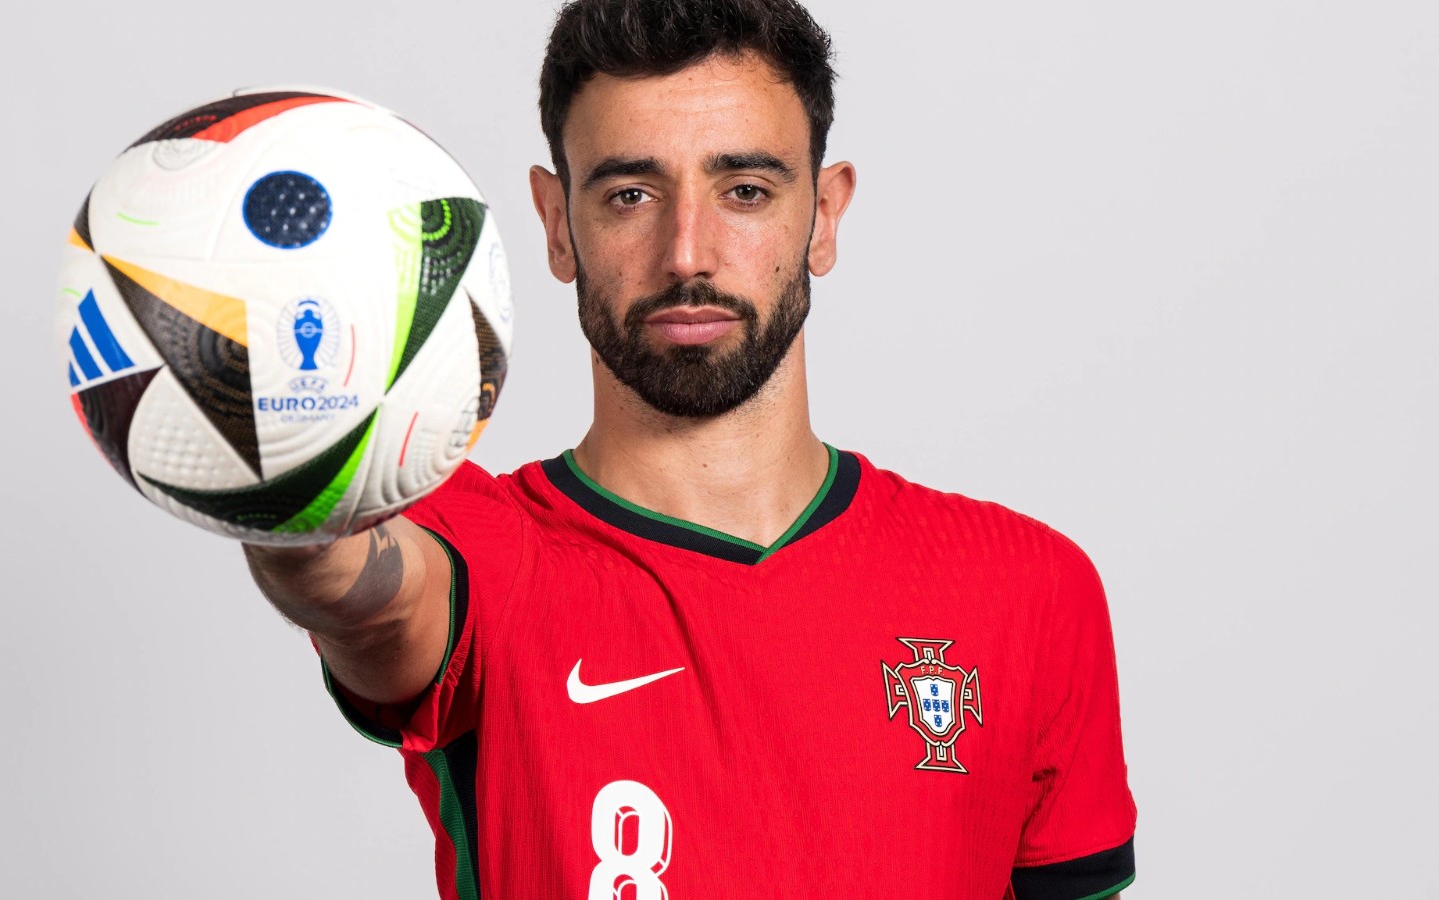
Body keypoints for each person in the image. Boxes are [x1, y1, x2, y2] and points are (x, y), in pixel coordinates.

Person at [244, 0, 1137, 897]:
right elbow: (353, 588)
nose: (686, 254)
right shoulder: (478, 554)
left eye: (745, 190)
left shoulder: (1027, 588)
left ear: (823, 216)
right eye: (630, 193)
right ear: (557, 223)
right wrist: (273, 448)